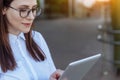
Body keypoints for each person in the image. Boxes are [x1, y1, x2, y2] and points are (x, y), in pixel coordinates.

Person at [0, 0, 63, 80]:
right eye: (23, 10)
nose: (31, 17)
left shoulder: (37, 38)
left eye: (33, 9)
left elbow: (52, 72)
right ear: (3, 9)